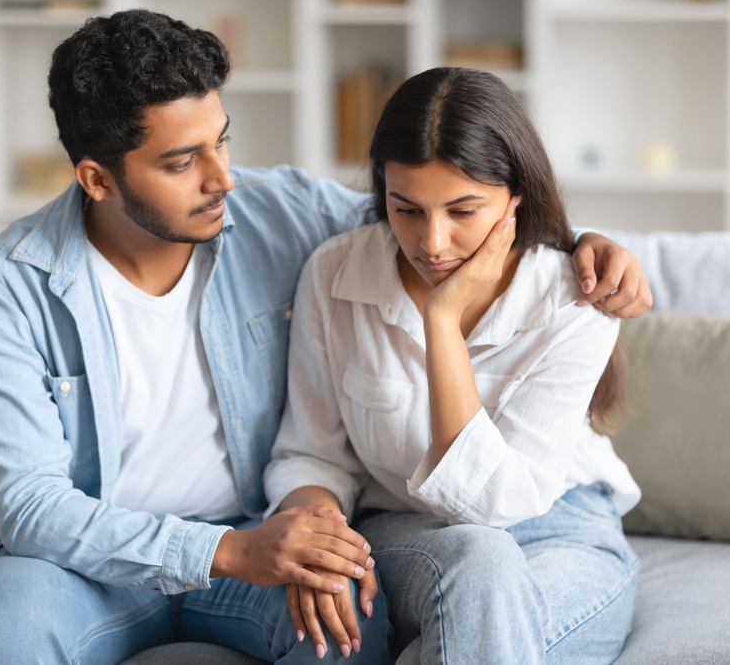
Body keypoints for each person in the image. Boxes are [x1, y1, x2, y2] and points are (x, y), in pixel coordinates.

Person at [0, 10, 651, 665]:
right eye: (181, 161)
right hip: (101, 561)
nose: (223, 178)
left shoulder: (276, 210)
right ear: (97, 178)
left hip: (268, 538)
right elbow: (30, 506)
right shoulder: (5, 287)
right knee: (2, 624)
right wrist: (225, 549)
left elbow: (443, 208)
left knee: (345, 618)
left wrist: (580, 245)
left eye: (221, 140)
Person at [265, 67, 643, 665]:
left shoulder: (576, 299)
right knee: (477, 593)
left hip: (560, 529)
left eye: (463, 211)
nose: (432, 243)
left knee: (470, 637)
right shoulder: (334, 275)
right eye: (406, 209)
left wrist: (442, 324)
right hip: (407, 534)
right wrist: (318, 540)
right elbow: (311, 454)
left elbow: (494, 505)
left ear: (516, 196)